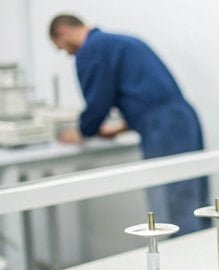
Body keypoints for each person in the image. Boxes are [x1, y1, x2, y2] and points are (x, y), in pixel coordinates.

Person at [49, 14, 209, 235]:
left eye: (61, 47)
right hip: (182, 118)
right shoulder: (120, 41)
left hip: (164, 128)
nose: (66, 53)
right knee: (193, 200)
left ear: (63, 32)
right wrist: (121, 127)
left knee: (172, 206)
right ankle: (204, 261)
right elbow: (147, 96)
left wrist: (83, 131)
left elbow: (98, 102)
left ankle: (184, 266)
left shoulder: (92, 50)